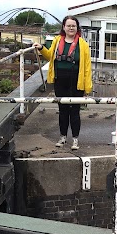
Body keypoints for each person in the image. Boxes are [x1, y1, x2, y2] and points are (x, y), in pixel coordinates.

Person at [34, 16, 92, 150]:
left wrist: (87, 87)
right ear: (64, 27)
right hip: (60, 80)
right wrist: (41, 48)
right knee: (62, 110)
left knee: (75, 111)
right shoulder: (57, 41)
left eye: (73, 26)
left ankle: (75, 139)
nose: (71, 28)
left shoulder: (82, 44)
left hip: (76, 81)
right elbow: (49, 56)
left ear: (77, 28)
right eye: (68, 25)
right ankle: (63, 137)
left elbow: (87, 67)